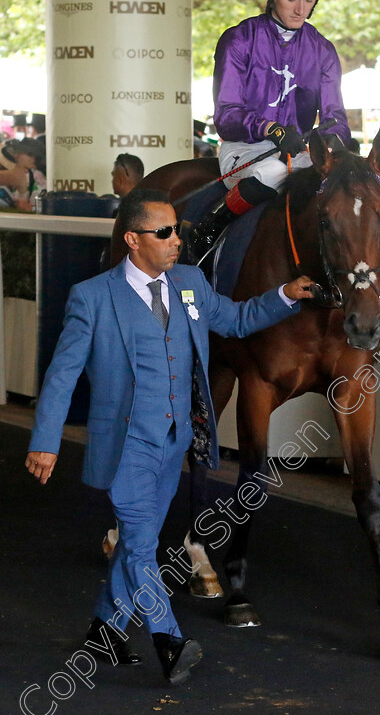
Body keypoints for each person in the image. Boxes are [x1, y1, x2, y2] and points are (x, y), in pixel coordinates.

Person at [25, 187, 314, 684]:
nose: (177, 240)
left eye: (177, 229)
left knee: (145, 538)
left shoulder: (191, 283)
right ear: (133, 240)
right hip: (125, 444)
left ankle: (106, 632)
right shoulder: (92, 298)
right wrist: (45, 440)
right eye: (164, 232)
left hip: (177, 440)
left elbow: (238, 319)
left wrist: (286, 295)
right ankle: (169, 641)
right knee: (139, 545)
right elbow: (61, 374)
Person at [188, 0, 350, 262]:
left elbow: (336, 116)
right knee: (269, 173)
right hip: (245, 151)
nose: (301, 9)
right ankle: (207, 230)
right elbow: (227, 115)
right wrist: (272, 129)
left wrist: (335, 138)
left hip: (300, 154)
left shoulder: (323, 50)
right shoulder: (238, 39)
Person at [0, 137, 46, 210]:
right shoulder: (35, 174)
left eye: (37, 158)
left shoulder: (30, 174)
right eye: (29, 154)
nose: (33, 159)